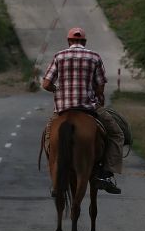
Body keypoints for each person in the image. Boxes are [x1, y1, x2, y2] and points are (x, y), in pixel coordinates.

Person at [41, 27, 124, 194]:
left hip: (63, 109)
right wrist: (97, 95)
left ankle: (56, 172)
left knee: (48, 137)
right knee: (117, 134)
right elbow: (100, 87)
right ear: (84, 42)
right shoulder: (94, 57)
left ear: (68, 41)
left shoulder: (59, 56)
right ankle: (105, 174)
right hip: (88, 106)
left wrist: (58, 90)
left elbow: (46, 84)